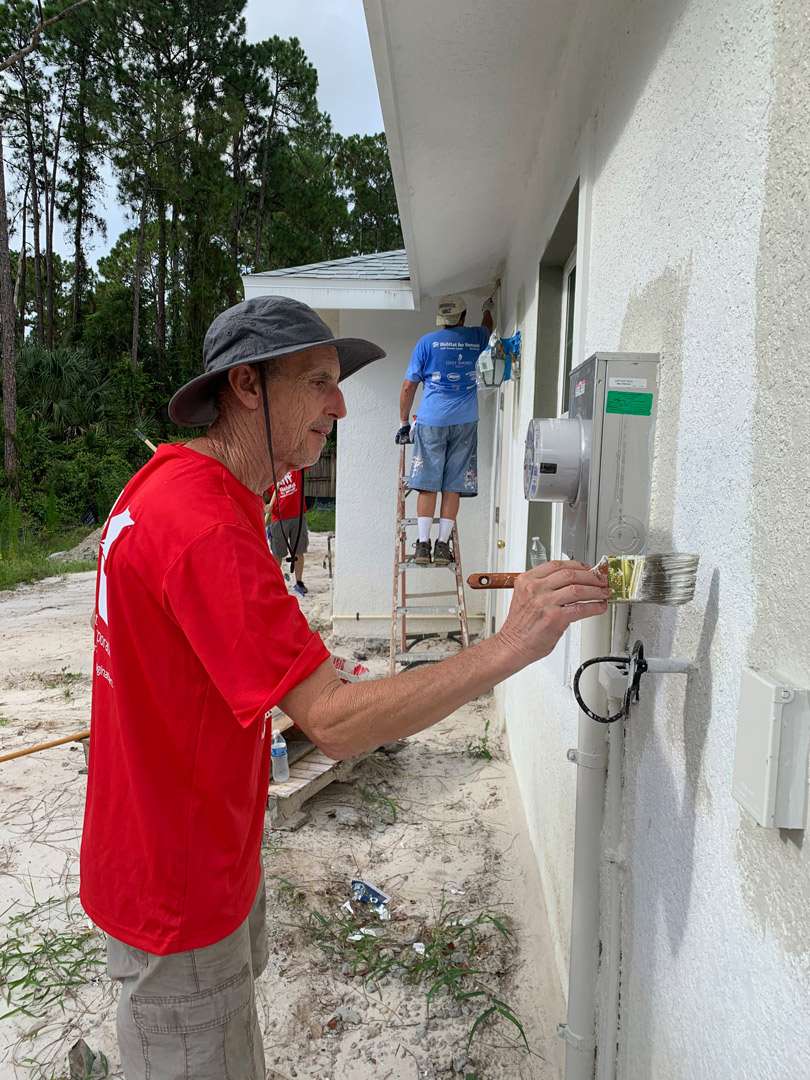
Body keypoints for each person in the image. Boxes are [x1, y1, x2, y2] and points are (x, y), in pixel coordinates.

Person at [80, 295, 609, 1080]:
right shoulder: (207, 530)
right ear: (248, 387)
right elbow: (331, 721)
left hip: (170, 850)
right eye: (319, 381)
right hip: (175, 888)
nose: (339, 405)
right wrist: (507, 648)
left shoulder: (166, 485)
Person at [396, 294, 494, 566]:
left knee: (427, 485)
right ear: (463, 317)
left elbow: (408, 387)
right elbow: (489, 326)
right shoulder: (476, 337)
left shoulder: (426, 343)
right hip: (465, 421)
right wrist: (488, 308)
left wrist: (404, 423)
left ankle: (423, 545)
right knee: (453, 486)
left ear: (441, 320)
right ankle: (442, 545)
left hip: (432, 421)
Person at [265, 467, 309, 596]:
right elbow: (258, 492)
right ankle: (274, 584)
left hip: (298, 517)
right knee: (277, 554)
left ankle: (299, 582)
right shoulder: (270, 473)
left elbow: (309, 456)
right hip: (278, 519)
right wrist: (265, 505)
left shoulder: (297, 468)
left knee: (299, 551)